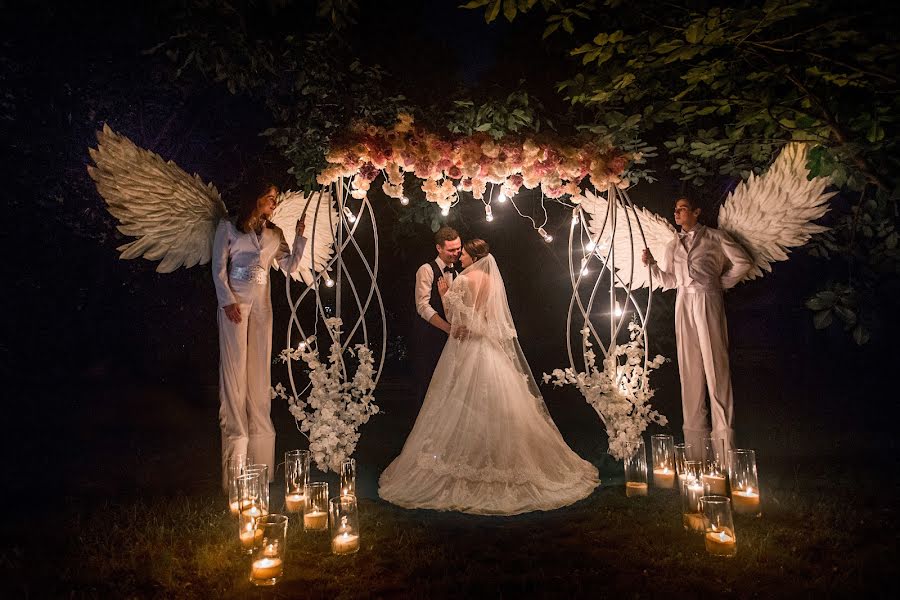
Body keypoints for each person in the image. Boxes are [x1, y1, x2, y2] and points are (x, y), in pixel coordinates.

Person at [380, 239, 599, 515]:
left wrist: (447, 296)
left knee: (459, 403)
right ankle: (498, 459)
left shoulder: (463, 280)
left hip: (468, 346)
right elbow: (488, 318)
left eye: (463, 254)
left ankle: (473, 462)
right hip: (490, 349)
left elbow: (458, 319)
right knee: (499, 407)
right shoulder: (492, 281)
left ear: (473, 256)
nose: (459, 258)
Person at [212, 181, 307, 488]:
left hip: (263, 308)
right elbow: (218, 268)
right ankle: (236, 458)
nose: (273, 203)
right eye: (269, 198)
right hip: (235, 305)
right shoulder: (229, 228)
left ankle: (261, 465)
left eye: (275, 199)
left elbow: (289, 266)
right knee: (234, 372)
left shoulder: (274, 233)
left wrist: (300, 236)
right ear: (254, 198)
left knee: (259, 374)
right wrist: (227, 301)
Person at [642, 196, 752, 456]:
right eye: (675, 209)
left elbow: (743, 262)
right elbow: (669, 280)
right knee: (689, 368)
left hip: (707, 298)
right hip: (683, 301)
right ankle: (696, 451)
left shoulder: (715, 237)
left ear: (696, 212)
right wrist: (652, 266)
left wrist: (719, 284)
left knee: (716, 366)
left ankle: (725, 448)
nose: (677, 213)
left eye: (682, 209)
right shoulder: (672, 245)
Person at [412, 226, 462, 402]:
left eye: (458, 248)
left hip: (451, 337)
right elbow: (422, 306)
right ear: (439, 248)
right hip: (430, 335)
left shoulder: (456, 272)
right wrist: (447, 328)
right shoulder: (426, 270)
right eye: (451, 250)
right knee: (429, 382)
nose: (456, 253)